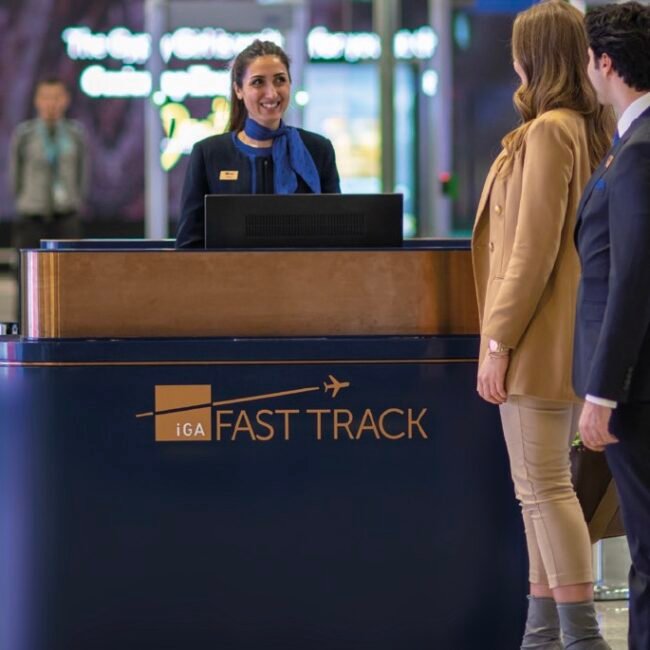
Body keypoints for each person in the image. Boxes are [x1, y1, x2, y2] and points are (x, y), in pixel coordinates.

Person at [471, 2, 614, 648]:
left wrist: (497, 340)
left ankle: (578, 637)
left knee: (545, 490)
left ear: (534, 56)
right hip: (561, 340)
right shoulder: (582, 129)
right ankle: (543, 634)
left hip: (536, 342)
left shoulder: (552, 132)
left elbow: (530, 251)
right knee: (539, 489)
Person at [573, 3, 650, 649]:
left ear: (605, 62)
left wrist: (603, 392)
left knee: (648, 552)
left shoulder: (640, 152)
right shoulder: (629, 144)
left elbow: (632, 278)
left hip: (638, 387)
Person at [176, 39, 341, 249]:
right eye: (258, 82)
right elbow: (189, 244)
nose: (271, 93)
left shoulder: (318, 150)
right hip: (227, 278)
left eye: (280, 80)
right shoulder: (209, 154)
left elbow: (337, 236)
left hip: (301, 278)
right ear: (238, 90)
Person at [9, 77, 87, 319]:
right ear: (37, 101)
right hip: (32, 217)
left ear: (65, 100)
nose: (51, 103)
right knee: (26, 278)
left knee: (70, 278)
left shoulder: (75, 134)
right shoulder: (25, 135)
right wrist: (26, 200)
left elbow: (83, 174)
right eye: (46, 98)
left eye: (56, 98)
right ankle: (24, 327)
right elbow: (15, 176)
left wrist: (75, 200)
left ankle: (69, 326)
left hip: (66, 217)